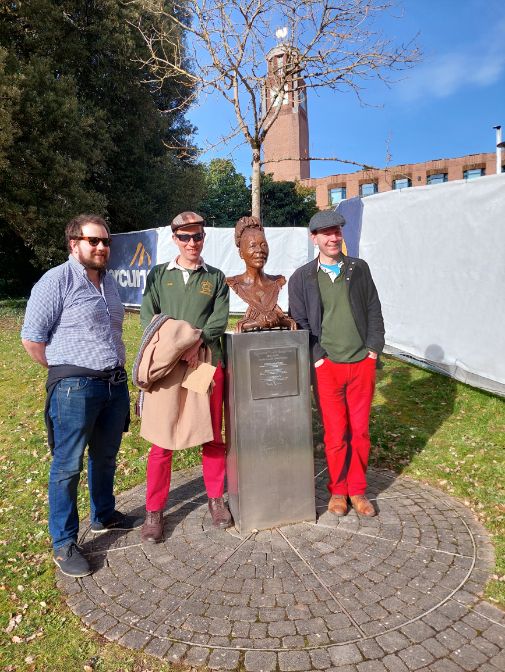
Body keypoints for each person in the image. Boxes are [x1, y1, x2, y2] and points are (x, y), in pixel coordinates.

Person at [21, 214, 140, 578]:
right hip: (75, 388)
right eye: (94, 241)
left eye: (106, 241)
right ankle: (64, 542)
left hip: (113, 385)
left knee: (105, 457)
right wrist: (66, 369)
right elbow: (32, 338)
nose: (102, 247)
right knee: (67, 465)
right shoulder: (56, 280)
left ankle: (103, 514)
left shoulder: (109, 283)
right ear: (74, 244)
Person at [139, 211, 231, 542]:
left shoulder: (216, 277)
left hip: (204, 364)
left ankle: (216, 499)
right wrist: (176, 348)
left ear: (204, 237)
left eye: (198, 236)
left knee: (211, 434)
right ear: (174, 239)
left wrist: (197, 343)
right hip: (167, 366)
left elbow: (219, 319)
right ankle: (154, 511)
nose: (192, 243)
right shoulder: (158, 275)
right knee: (162, 439)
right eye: (185, 237)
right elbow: (148, 318)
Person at [288, 210, 385, 517]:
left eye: (337, 232)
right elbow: (299, 322)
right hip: (327, 367)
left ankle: (357, 490)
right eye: (326, 233)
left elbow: (374, 309)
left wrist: (373, 350)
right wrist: (317, 358)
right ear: (314, 238)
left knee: (360, 432)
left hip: (361, 363)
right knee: (334, 434)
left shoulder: (358, 268)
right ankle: (338, 491)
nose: (333, 238)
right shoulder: (302, 277)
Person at [226, 216, 296, 332]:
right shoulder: (233, 284)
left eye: (264, 245)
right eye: (252, 246)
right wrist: (256, 323)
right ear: (241, 253)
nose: (260, 250)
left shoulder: (278, 282)